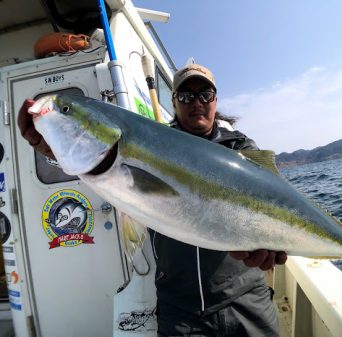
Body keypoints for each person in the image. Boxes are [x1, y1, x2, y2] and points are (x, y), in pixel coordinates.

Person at [18, 63, 287, 337]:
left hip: (245, 296)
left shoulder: (240, 147)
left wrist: (274, 239)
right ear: (174, 101)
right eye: (186, 96)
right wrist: (53, 148)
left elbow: (275, 198)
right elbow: (91, 160)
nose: (196, 102)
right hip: (181, 308)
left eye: (205, 94)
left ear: (216, 100)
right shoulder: (151, 142)